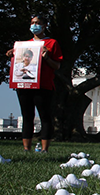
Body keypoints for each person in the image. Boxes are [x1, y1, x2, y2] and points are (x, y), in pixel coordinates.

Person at [6, 15, 62, 153]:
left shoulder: (52, 43)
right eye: (32, 23)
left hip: (43, 85)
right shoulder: (24, 45)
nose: (34, 25)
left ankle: (44, 149)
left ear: (44, 26)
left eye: (38, 23)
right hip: (24, 85)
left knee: (45, 116)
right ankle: (26, 148)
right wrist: (12, 55)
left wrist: (47, 57)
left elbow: (57, 66)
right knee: (27, 116)